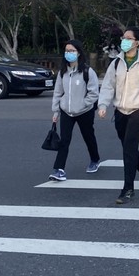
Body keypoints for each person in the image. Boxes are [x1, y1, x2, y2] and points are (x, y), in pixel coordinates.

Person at [98, 26, 139, 205]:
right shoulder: (117, 62)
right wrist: (103, 105)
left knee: (129, 147)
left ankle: (128, 188)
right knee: (128, 146)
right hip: (120, 111)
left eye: (128, 38)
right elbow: (109, 85)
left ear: (136, 43)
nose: (123, 41)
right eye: (123, 38)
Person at [49, 39, 100, 181]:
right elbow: (58, 92)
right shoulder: (62, 72)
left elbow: (94, 93)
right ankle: (58, 169)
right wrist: (56, 111)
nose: (68, 53)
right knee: (64, 140)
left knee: (88, 136)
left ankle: (95, 159)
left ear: (78, 53)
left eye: (72, 51)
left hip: (84, 111)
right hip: (67, 111)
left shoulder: (87, 71)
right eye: (66, 51)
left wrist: (84, 104)